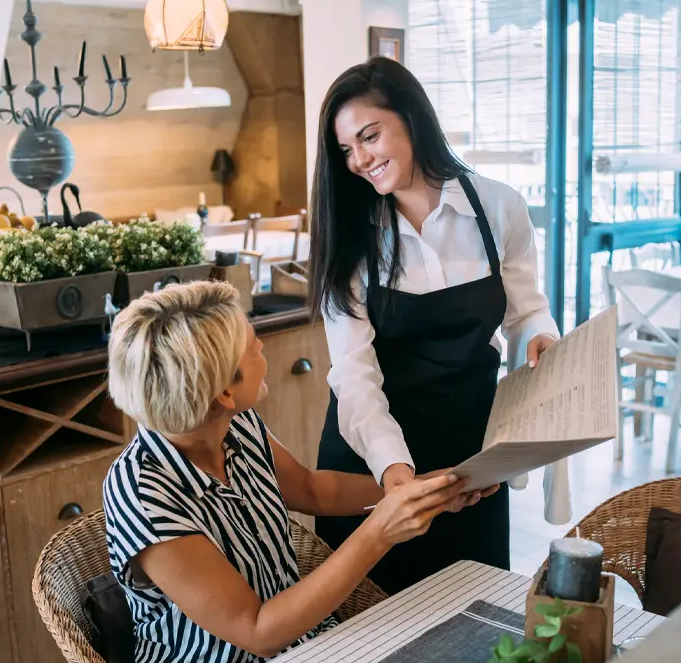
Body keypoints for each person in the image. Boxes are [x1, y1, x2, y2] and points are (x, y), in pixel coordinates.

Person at [102, 281, 480, 663]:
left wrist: (421, 489)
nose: (262, 347)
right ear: (224, 394)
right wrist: (379, 532)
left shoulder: (235, 424)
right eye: (252, 348)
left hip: (310, 644)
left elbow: (312, 489)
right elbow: (257, 631)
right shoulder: (143, 493)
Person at [308, 56, 570, 596]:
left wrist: (541, 338)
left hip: (470, 462)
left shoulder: (499, 208)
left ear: (412, 117)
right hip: (372, 462)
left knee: (475, 619)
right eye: (346, 150)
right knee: (372, 631)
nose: (359, 160)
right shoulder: (351, 235)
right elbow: (354, 375)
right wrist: (395, 476)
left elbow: (527, 311)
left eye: (370, 136)